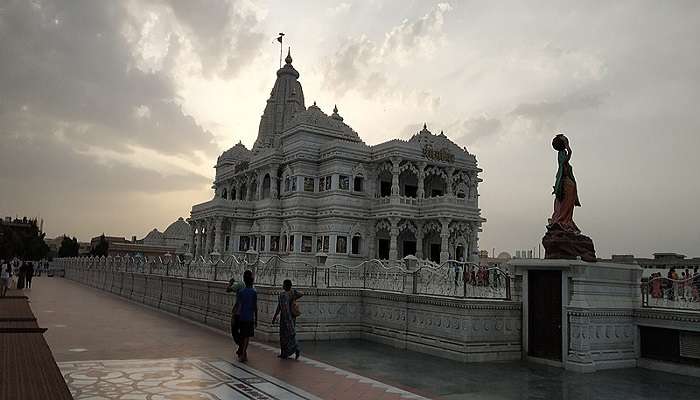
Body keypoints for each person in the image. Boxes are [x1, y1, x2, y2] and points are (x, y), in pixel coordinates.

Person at [548, 134, 581, 233]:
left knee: (567, 206)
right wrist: (567, 146)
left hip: (568, 186)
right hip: (566, 185)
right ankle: (563, 222)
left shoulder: (563, 157)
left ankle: (565, 221)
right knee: (564, 206)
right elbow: (566, 158)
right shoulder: (561, 154)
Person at [272, 279, 303, 360]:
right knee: (291, 335)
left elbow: (279, 307)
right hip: (291, 318)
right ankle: (294, 349)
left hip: (285, 318)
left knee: (283, 336)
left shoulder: (282, 295)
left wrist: (275, 316)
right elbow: (301, 294)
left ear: (285, 286)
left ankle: (285, 353)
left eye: (284, 284)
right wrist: (293, 294)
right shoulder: (292, 293)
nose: (283, 286)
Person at [235, 270, 257, 362]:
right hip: (250, 317)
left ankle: (242, 352)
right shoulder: (254, 292)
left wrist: (236, 316)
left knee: (242, 335)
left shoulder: (241, 292)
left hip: (242, 316)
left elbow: (239, 306)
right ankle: (244, 352)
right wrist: (257, 319)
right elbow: (255, 306)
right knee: (247, 336)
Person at [226, 277, 245, 348]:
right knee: (243, 332)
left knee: (234, 329)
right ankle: (242, 348)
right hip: (247, 313)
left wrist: (230, 283)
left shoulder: (240, 284)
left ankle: (240, 346)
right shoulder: (252, 287)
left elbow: (228, 289)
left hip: (238, 312)